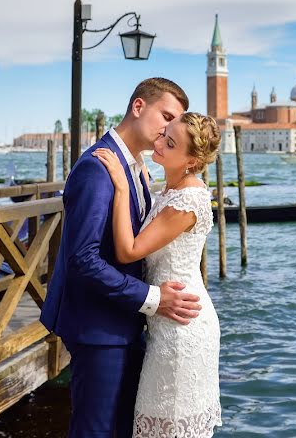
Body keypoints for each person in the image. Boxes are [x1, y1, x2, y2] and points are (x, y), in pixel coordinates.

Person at [40, 78, 203, 438]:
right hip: (99, 328)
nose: (170, 127)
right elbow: (83, 260)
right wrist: (155, 299)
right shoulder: (97, 168)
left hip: (126, 324)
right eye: (166, 115)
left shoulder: (136, 167)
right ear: (139, 107)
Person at [95, 112, 222, 438]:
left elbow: (128, 250)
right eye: (165, 134)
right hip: (166, 318)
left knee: (169, 425)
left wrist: (122, 187)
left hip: (182, 327)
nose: (160, 142)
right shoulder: (170, 189)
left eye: (171, 143)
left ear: (192, 160)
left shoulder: (188, 200)